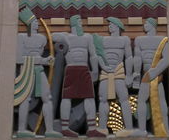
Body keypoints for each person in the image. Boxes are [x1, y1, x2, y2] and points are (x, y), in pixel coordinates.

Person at [54, 14, 105, 138]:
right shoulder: (66, 37)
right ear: (74, 23)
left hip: (84, 69)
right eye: (79, 22)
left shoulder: (87, 37)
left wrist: (95, 71)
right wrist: (63, 36)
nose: (81, 24)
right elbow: (52, 36)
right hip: (71, 69)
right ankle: (65, 128)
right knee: (66, 97)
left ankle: (92, 128)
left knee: (90, 98)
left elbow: (93, 55)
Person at [14, 8, 58, 137]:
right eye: (33, 22)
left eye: (36, 22)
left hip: (38, 70)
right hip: (26, 71)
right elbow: (18, 59)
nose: (36, 24)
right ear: (28, 24)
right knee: (25, 100)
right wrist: (42, 60)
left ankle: (49, 129)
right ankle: (21, 129)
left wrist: (48, 60)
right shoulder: (21, 37)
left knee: (47, 98)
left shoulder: (42, 38)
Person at [95, 17, 134, 133]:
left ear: (117, 26)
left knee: (124, 99)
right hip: (106, 72)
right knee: (102, 99)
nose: (109, 26)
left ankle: (129, 129)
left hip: (119, 72)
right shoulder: (102, 40)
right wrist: (103, 66)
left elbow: (129, 57)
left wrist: (129, 75)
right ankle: (102, 128)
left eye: (111, 24)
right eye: (109, 24)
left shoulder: (124, 40)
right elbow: (99, 55)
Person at [133, 19, 169, 137]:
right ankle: (142, 130)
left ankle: (165, 129)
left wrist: (154, 72)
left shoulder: (162, 40)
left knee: (160, 102)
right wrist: (136, 73)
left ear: (152, 25)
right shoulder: (139, 40)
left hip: (155, 74)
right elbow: (137, 58)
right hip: (145, 73)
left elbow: (167, 59)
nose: (144, 25)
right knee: (142, 101)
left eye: (146, 23)